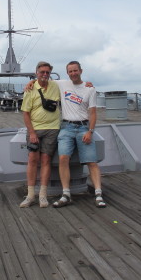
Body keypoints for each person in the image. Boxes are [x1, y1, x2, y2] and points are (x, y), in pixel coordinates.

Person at [52, 61, 105, 208]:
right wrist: (30, 83)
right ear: (67, 73)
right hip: (66, 127)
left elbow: (93, 113)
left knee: (91, 162)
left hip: (83, 127)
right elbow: (42, 80)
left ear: (81, 71)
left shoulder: (90, 89)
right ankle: (66, 193)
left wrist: (90, 131)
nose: (73, 73)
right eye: (70, 71)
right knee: (63, 158)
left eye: (75, 71)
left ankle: (98, 193)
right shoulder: (62, 84)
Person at [19, 61, 61, 208]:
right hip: (35, 129)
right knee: (32, 159)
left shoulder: (56, 86)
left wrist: (87, 84)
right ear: (36, 73)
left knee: (46, 160)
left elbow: (74, 82)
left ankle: (42, 195)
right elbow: (25, 113)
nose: (44, 75)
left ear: (50, 74)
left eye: (47, 72)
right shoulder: (30, 89)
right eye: (42, 72)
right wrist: (31, 132)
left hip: (52, 128)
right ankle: (30, 195)